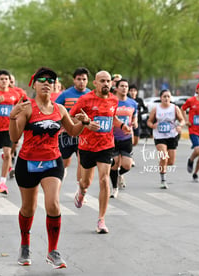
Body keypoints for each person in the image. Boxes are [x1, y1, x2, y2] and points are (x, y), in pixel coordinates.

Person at [9, 67, 90, 269]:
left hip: (52, 162)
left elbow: (72, 131)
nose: (46, 83)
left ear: (54, 86)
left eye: (51, 80)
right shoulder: (26, 108)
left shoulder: (59, 110)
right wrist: (12, 118)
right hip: (27, 163)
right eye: (42, 79)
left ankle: (52, 251)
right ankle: (25, 245)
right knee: (28, 208)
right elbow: (14, 137)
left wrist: (84, 122)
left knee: (53, 204)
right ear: (34, 84)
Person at [70, 70, 131, 234]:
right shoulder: (85, 99)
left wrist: (122, 126)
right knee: (86, 182)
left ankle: (101, 220)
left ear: (112, 83)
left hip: (106, 145)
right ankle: (81, 192)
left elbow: (113, 117)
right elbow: (72, 116)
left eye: (108, 81)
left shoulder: (113, 99)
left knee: (104, 179)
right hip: (87, 146)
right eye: (102, 81)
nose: (106, 84)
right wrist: (87, 123)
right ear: (95, 83)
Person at [55, 67, 91, 183]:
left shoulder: (90, 95)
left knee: (82, 161)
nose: (81, 82)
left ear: (87, 80)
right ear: (74, 80)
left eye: (84, 79)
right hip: (67, 133)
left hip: (84, 134)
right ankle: (63, 170)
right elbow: (55, 111)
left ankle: (79, 190)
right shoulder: (65, 95)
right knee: (64, 161)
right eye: (79, 79)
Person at [147, 89, 185, 189]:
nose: (166, 98)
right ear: (161, 98)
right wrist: (153, 125)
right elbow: (149, 122)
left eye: (168, 96)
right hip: (159, 136)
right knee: (164, 156)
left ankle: (162, 164)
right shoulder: (156, 109)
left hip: (172, 135)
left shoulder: (175, 108)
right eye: (164, 96)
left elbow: (182, 120)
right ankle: (163, 179)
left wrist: (180, 126)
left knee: (171, 162)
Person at [109, 79, 138, 198]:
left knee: (127, 165)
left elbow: (134, 117)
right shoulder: (112, 102)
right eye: (122, 86)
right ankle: (114, 188)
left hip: (126, 137)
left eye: (126, 86)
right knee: (115, 163)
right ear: (116, 88)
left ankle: (120, 174)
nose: (124, 88)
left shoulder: (133, 103)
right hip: (113, 137)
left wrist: (135, 123)